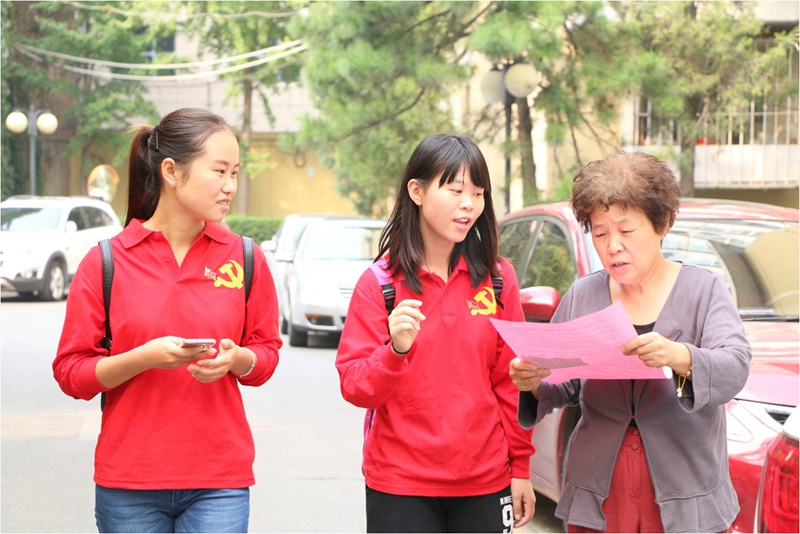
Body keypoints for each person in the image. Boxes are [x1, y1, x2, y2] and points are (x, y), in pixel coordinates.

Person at [53, 108, 281, 533]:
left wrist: (237, 359)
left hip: (219, 479)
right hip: (129, 482)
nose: (230, 186)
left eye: (235, 173)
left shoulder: (246, 257)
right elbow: (71, 373)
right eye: (219, 171)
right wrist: (143, 358)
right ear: (172, 171)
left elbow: (265, 356)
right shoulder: (106, 261)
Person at [510, 151, 752, 533]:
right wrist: (534, 382)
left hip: (684, 491)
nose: (613, 246)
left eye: (626, 231)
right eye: (600, 234)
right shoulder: (583, 294)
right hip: (599, 490)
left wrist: (678, 356)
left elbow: (735, 367)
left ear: (662, 223)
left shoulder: (704, 289)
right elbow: (563, 383)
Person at [336, 133, 536, 533]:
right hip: (400, 483)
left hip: (485, 479)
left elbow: (509, 383)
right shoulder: (380, 284)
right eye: (456, 190)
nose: (469, 204)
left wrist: (521, 467)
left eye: (478, 193)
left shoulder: (498, 280)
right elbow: (356, 388)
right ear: (417, 191)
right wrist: (395, 350)